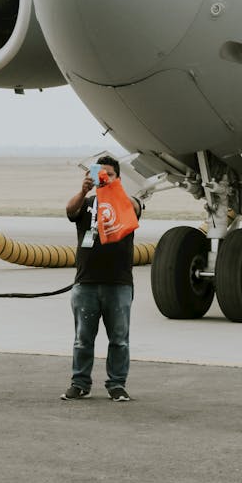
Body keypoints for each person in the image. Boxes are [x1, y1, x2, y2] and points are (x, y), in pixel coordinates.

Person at [62, 156, 142, 403]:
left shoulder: (125, 204)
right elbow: (69, 210)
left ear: (118, 177)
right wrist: (84, 189)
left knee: (119, 339)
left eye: (110, 173)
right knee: (82, 339)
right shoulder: (87, 203)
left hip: (118, 284)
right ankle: (80, 383)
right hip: (86, 282)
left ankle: (117, 384)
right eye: (101, 173)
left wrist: (113, 188)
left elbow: (136, 208)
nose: (104, 177)